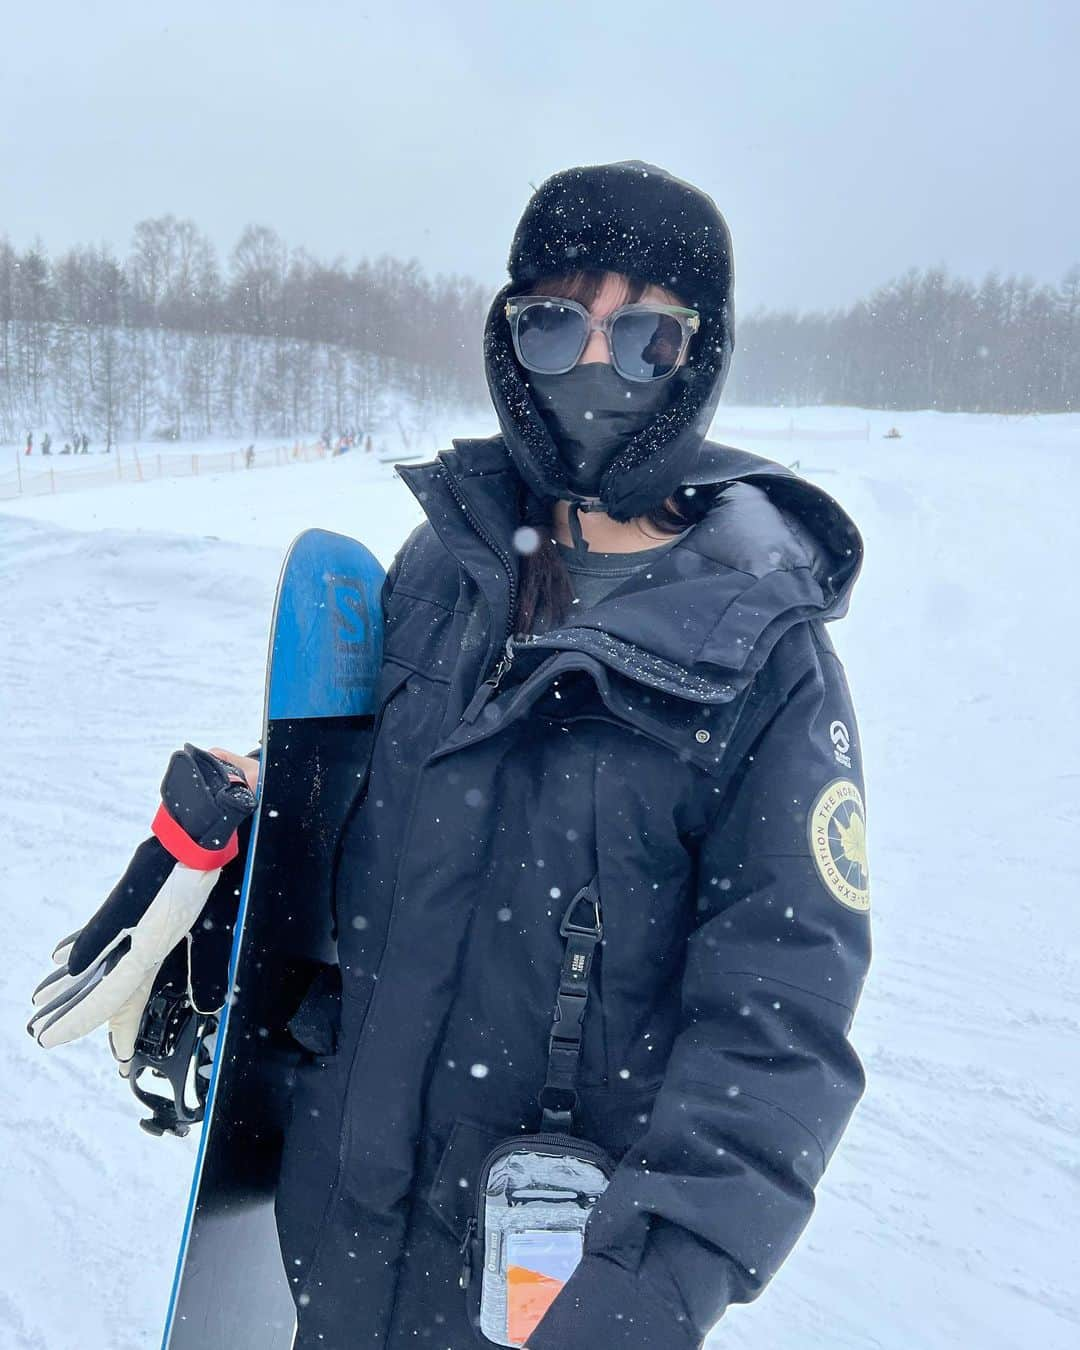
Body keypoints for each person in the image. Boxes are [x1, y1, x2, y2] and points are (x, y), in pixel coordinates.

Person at [29, 162, 870, 1349]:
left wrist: (652, 1286)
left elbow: (777, 1027)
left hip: (541, 1293)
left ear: (700, 352)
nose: (591, 364)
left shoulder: (762, 662)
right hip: (336, 1243)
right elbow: (376, 856)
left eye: (643, 336)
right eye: (552, 323)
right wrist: (236, 877)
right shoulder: (439, 573)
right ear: (506, 334)